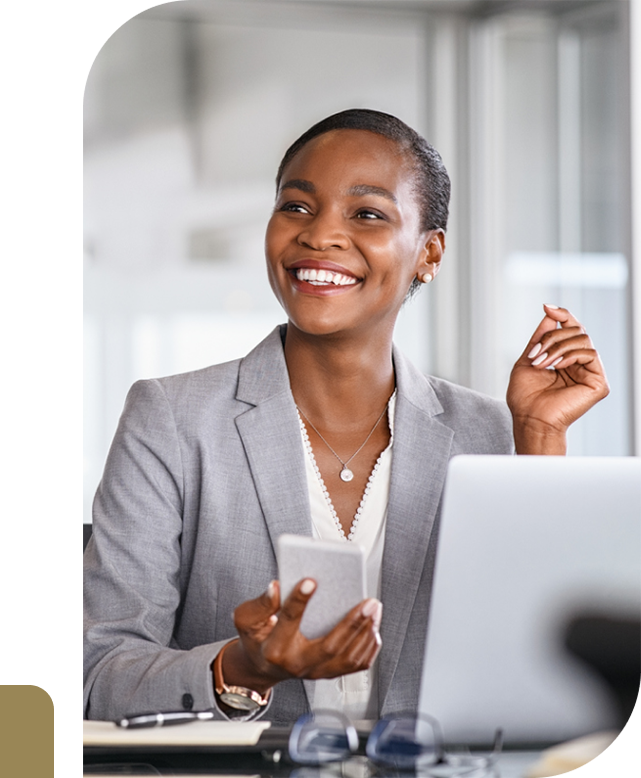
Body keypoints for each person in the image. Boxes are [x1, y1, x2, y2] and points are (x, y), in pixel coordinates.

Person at [83, 109, 609, 723]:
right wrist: (242, 668)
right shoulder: (172, 421)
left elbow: (548, 664)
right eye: (297, 207)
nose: (319, 235)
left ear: (429, 252)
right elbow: (99, 669)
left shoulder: (492, 433)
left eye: (366, 214)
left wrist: (540, 437)